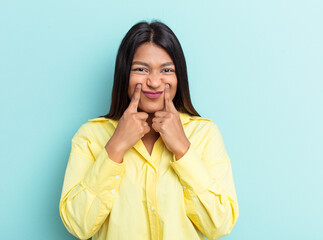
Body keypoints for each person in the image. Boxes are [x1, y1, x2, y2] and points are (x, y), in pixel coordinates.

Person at [59, 20, 239, 240]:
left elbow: (220, 225)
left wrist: (183, 149)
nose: (154, 82)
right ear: (124, 74)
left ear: (178, 76)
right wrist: (115, 148)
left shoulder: (205, 135)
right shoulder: (90, 137)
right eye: (141, 69)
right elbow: (78, 225)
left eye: (166, 70)